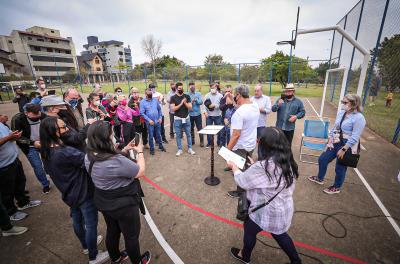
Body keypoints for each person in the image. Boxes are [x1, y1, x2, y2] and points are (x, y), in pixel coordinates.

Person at [226, 127, 301, 264]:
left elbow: (242, 182)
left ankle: (245, 256)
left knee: (249, 230)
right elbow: (271, 178)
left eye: (259, 140)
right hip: (282, 209)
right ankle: (296, 261)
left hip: (264, 210)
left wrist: (234, 168)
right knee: (280, 235)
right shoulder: (288, 162)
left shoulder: (263, 167)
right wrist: (256, 165)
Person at [39, 117, 109, 264]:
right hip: (83, 191)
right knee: (91, 224)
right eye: (63, 128)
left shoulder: (46, 150)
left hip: (68, 191)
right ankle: (93, 256)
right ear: (53, 131)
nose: (67, 130)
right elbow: (89, 163)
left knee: (77, 220)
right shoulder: (65, 152)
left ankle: (86, 245)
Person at [85, 121, 151, 264]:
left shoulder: (89, 155)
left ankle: (115, 257)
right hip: (123, 205)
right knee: (131, 237)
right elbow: (140, 171)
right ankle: (137, 261)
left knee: (112, 231)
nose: (114, 136)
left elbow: (108, 158)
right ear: (106, 138)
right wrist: (139, 151)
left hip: (103, 201)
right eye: (111, 134)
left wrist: (126, 149)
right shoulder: (115, 160)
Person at [308, 94, 366, 194]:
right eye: (342, 102)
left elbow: (355, 136)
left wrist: (344, 149)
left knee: (340, 167)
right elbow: (335, 127)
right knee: (323, 159)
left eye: (345, 102)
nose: (343, 104)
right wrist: (330, 139)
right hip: (336, 141)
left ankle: (336, 187)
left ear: (354, 103)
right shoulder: (342, 113)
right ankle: (320, 178)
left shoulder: (359, 118)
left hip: (347, 145)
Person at [0, 121, 41, 221]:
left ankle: (23, 203)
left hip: (13, 160)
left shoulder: (1, 124)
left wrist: (15, 136)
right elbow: (6, 138)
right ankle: (11, 212)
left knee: (20, 183)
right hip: (3, 166)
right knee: (7, 191)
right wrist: (9, 138)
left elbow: (9, 135)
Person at [227, 85, 259, 198]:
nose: (235, 97)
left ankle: (240, 192)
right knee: (248, 167)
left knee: (239, 170)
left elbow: (236, 135)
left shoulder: (239, 113)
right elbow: (242, 107)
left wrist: (227, 151)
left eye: (235, 95)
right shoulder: (254, 105)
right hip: (251, 143)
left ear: (239, 95)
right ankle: (248, 188)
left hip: (240, 146)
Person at [12, 103, 51, 193]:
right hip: (29, 146)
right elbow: (17, 137)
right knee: (37, 166)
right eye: (34, 113)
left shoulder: (42, 115)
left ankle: (49, 174)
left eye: (38, 112)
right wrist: (33, 142)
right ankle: (45, 184)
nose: (38, 115)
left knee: (48, 162)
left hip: (43, 143)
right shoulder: (17, 119)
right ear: (26, 113)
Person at [170, 82, 195, 156]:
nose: (181, 89)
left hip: (186, 118)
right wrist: (181, 103)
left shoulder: (186, 96)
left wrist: (185, 103)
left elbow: (190, 107)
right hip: (177, 119)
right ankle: (179, 149)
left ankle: (190, 148)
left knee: (188, 134)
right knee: (178, 135)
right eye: (179, 88)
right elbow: (173, 109)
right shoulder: (173, 97)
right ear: (176, 89)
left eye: (182, 88)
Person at [140, 88, 166, 155]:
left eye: (151, 94)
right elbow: (142, 113)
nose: (150, 95)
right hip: (150, 123)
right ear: (145, 94)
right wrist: (149, 120)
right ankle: (152, 149)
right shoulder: (142, 102)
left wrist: (160, 117)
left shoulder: (155, 100)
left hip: (157, 121)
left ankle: (161, 146)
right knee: (151, 136)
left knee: (159, 134)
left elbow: (159, 109)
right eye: (148, 94)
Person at [251, 84, 272, 159]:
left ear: (261, 91)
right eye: (255, 91)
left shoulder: (266, 98)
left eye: (257, 91)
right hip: (251, 125)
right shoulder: (251, 99)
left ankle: (261, 159)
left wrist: (259, 109)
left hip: (261, 125)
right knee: (250, 142)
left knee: (261, 142)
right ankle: (248, 158)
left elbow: (268, 110)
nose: (256, 92)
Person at [204, 83, 223, 148]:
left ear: (216, 88)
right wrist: (205, 112)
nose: (213, 89)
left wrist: (215, 105)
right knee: (209, 130)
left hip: (217, 115)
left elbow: (221, 105)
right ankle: (209, 143)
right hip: (209, 116)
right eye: (211, 88)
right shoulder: (207, 95)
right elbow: (204, 105)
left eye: (214, 88)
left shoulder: (220, 96)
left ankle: (219, 143)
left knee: (219, 130)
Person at [188, 82, 204, 147]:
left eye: (193, 87)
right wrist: (191, 102)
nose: (192, 88)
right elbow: (186, 104)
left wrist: (196, 100)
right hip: (190, 114)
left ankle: (201, 142)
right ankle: (192, 141)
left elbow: (201, 102)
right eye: (191, 87)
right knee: (191, 128)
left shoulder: (198, 94)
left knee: (200, 128)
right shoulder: (187, 94)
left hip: (198, 114)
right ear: (189, 87)